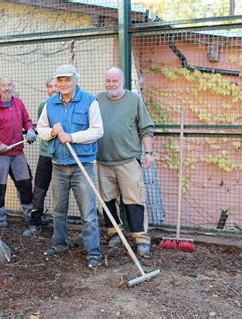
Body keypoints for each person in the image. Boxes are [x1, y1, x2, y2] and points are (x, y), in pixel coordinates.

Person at [37, 64, 103, 269]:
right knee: (58, 210)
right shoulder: (51, 103)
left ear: (76, 80)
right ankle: (59, 244)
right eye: (60, 80)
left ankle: (93, 252)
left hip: (82, 165)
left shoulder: (90, 101)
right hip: (58, 164)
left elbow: (97, 130)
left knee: (88, 212)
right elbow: (40, 129)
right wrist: (53, 133)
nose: (63, 84)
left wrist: (71, 137)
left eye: (67, 80)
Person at [96, 66, 155, 258]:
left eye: (115, 81)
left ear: (122, 81)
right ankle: (115, 233)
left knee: (134, 200)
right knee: (107, 201)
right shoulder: (97, 101)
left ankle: (141, 239)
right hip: (103, 160)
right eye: (108, 81)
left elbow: (146, 128)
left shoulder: (134, 100)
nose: (111, 84)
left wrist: (148, 152)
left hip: (128, 160)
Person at [0, 76, 36, 228]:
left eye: (9, 85)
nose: (7, 88)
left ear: (13, 86)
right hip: (0, 156)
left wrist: (30, 130)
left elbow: (27, 121)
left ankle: (30, 216)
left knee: (25, 184)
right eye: (3, 85)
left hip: (18, 153)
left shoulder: (19, 103)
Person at [22, 78, 57, 237]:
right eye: (50, 86)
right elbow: (42, 130)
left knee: (60, 191)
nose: (53, 89)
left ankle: (59, 225)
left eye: (56, 86)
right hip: (45, 155)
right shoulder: (43, 106)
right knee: (39, 190)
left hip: (62, 157)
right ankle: (35, 222)